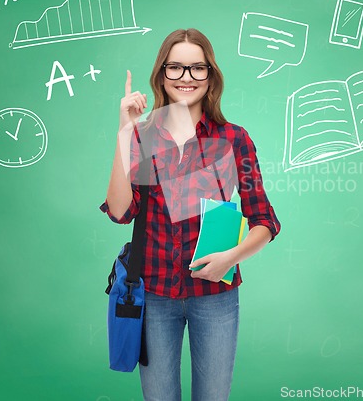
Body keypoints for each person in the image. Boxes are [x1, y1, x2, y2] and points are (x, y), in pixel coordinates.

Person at [100, 28, 280, 400]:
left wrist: (231, 257)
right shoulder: (142, 135)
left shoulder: (233, 139)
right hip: (154, 295)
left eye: (197, 68)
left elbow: (264, 220)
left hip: (215, 294)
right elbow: (120, 211)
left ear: (210, 76)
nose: (186, 78)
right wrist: (124, 131)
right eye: (176, 68)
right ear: (161, 76)